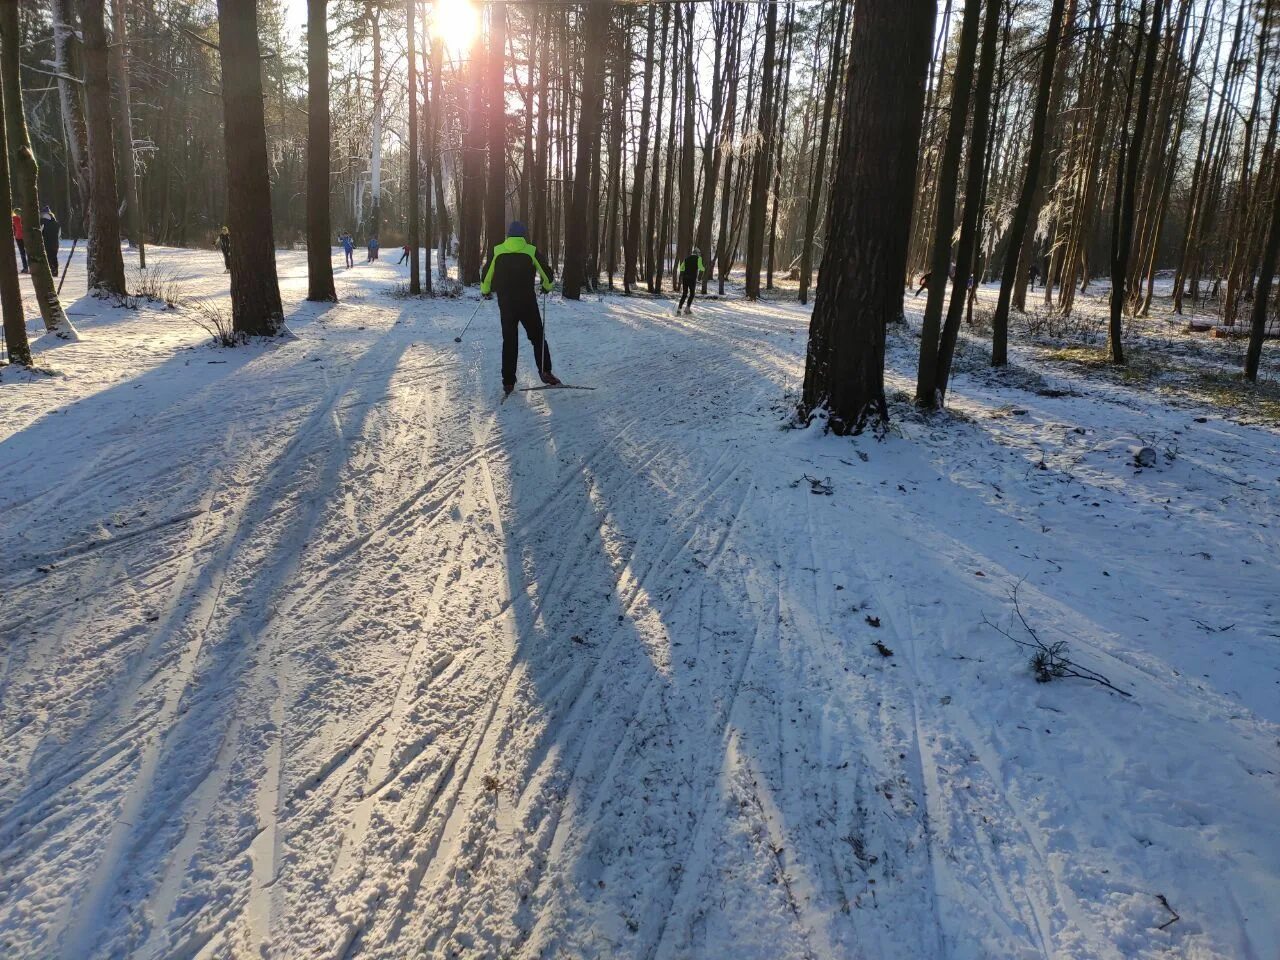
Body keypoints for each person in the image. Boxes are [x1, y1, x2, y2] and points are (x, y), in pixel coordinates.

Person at [480, 220, 559, 396]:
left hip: (506, 303)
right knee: (538, 337)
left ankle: (508, 381)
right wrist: (547, 287)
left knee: (509, 340)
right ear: (524, 235)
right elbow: (547, 273)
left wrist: (485, 291)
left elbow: (486, 274)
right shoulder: (531, 251)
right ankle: (545, 371)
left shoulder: (497, 250)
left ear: (508, 235)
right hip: (527, 302)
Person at [675, 247, 704, 315]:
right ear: (697, 253)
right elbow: (700, 267)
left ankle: (679, 309)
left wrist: (682, 275)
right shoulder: (698, 258)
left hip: (685, 278)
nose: (699, 255)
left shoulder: (686, 259)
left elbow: (681, 268)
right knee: (692, 294)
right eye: (699, 253)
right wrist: (704, 269)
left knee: (684, 294)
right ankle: (687, 308)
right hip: (692, 279)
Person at [40, 206, 60, 277]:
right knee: (54, 257)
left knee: (48, 258)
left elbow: (39, 233)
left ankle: (50, 271)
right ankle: (55, 271)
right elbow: (59, 234)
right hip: (55, 243)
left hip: (47, 243)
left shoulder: (42, 222)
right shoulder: (56, 223)